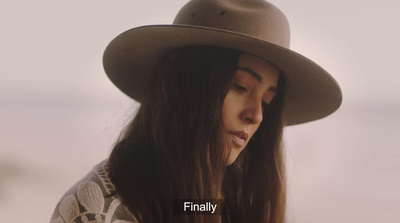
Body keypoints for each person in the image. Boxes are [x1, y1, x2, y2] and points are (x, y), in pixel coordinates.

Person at [50, 0, 342, 223]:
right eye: (240, 87)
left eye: (266, 101)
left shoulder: (219, 201)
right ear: (186, 86)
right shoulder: (97, 211)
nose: (257, 115)